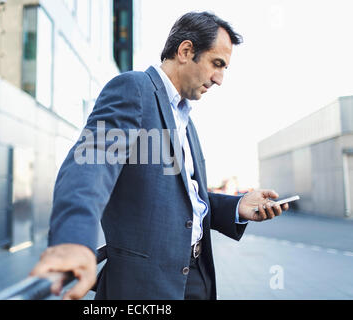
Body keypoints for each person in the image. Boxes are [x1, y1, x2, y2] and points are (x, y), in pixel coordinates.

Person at [30, 11, 289, 300]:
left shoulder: (187, 121)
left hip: (197, 278)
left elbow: (180, 199)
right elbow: (91, 164)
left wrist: (237, 206)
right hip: (145, 286)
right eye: (217, 64)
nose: (219, 79)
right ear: (186, 50)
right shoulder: (135, 89)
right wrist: (73, 240)